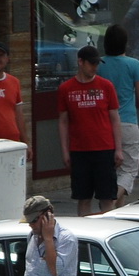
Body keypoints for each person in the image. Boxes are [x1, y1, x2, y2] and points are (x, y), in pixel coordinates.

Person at [56, 45, 120, 215]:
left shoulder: (106, 86)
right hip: (79, 150)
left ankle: (107, 226)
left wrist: (118, 149)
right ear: (80, 62)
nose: (94, 68)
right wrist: (64, 151)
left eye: (96, 64)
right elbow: (63, 121)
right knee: (83, 197)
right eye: (91, 64)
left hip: (104, 148)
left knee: (107, 197)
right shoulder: (66, 88)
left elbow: (114, 117)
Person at [98, 25, 139, 206]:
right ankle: (111, 200)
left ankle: (117, 212)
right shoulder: (134, 64)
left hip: (105, 126)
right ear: (125, 43)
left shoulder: (99, 65)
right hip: (128, 122)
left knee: (114, 171)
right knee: (129, 170)